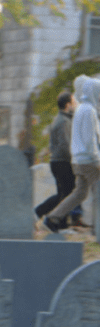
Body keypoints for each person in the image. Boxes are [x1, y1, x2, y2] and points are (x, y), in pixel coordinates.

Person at [43, 75, 100, 232]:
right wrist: (97, 159)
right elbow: (89, 139)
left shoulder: (80, 109)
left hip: (78, 160)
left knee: (79, 194)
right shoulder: (89, 111)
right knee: (98, 193)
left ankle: (52, 218)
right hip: (89, 160)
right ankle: (97, 229)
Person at [35, 91, 77, 225]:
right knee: (65, 195)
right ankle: (38, 212)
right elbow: (65, 145)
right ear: (68, 105)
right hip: (62, 162)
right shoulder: (64, 121)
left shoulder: (63, 118)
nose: (75, 104)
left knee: (65, 194)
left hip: (58, 162)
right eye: (73, 102)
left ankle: (61, 224)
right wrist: (75, 160)